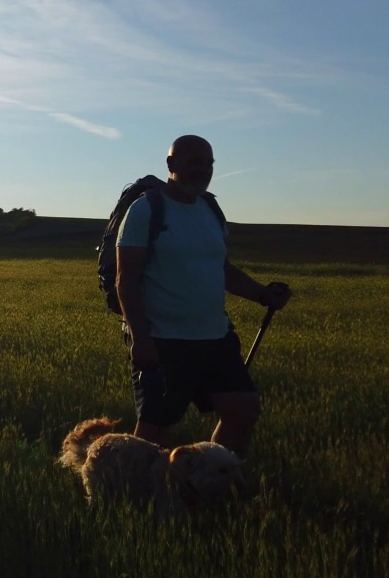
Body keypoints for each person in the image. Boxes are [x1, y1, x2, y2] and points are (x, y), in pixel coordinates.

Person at [116, 135, 291, 459]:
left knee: (242, 409)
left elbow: (221, 269)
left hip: (215, 336)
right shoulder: (146, 211)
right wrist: (141, 339)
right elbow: (125, 280)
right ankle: (136, 495)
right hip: (164, 339)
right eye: (193, 162)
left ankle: (210, 480)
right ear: (171, 165)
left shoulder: (210, 208)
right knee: (155, 430)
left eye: (208, 164)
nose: (202, 170)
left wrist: (262, 295)